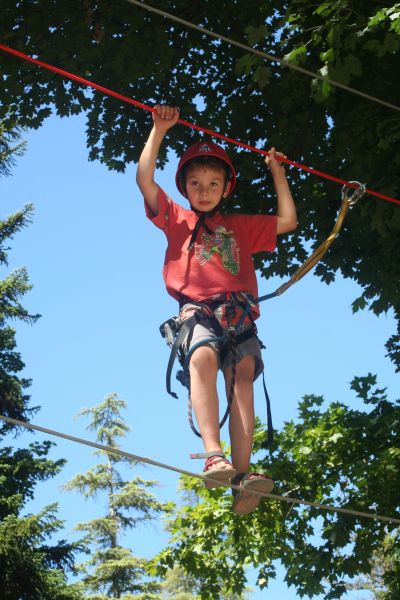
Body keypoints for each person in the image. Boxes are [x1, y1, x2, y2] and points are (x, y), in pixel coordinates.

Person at [136, 104, 297, 514]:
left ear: (226, 188)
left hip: (239, 313)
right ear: (185, 187)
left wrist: (278, 173)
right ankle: (213, 454)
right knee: (202, 358)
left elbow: (288, 221)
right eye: (195, 183)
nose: (204, 190)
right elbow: (144, 179)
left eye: (212, 183)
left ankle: (243, 477)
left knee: (243, 379)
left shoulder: (241, 225)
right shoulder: (176, 218)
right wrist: (159, 131)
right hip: (199, 310)